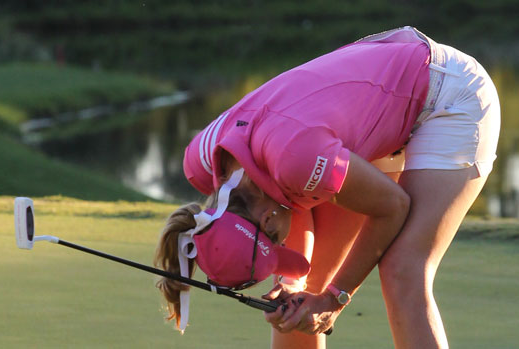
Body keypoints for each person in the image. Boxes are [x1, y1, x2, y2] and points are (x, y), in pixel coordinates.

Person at [156, 26, 500, 348]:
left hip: (447, 92)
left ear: (269, 222)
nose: (282, 243)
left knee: (403, 269)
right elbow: (290, 203)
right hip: (375, 100)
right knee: (304, 296)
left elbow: (393, 207)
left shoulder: (297, 160)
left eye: (276, 243)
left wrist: (337, 299)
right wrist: (294, 286)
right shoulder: (204, 161)